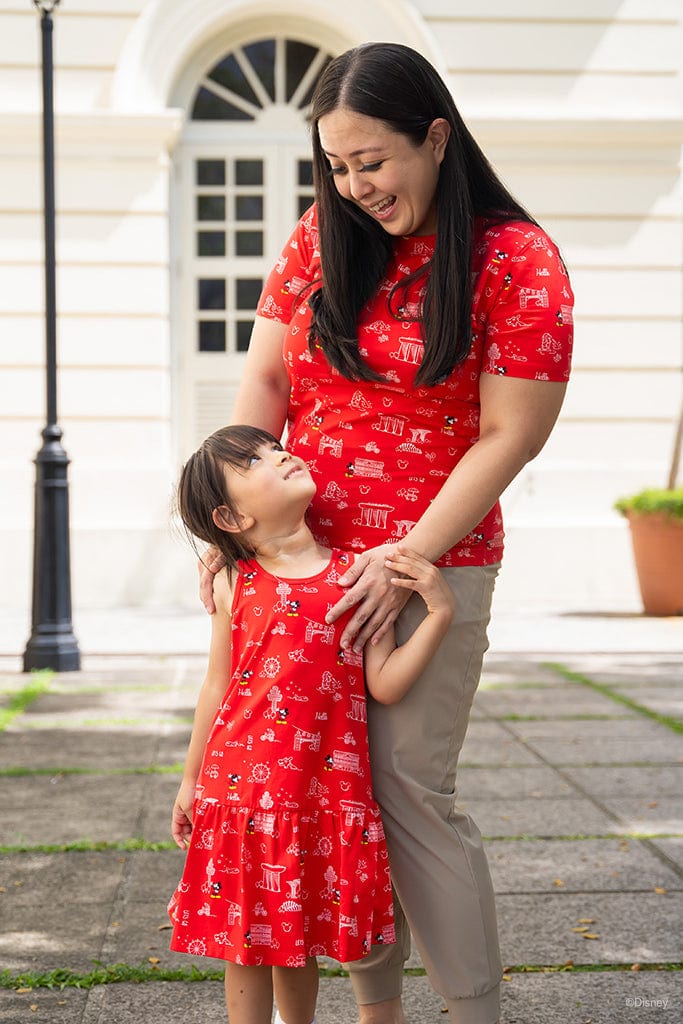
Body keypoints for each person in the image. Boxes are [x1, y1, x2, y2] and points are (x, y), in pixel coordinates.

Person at [199, 42, 574, 1024]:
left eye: (375, 160)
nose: (356, 185)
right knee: (331, 803)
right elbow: (268, 387)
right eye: (337, 166)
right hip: (302, 566)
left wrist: (406, 559)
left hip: (424, 567)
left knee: (407, 796)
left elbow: (511, 432)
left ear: (435, 137)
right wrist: (232, 530)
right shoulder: (314, 241)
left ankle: (474, 1010)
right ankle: (379, 1012)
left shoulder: (516, 261)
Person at [168, 424, 456, 1024]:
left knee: (296, 933)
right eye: (257, 461)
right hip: (241, 788)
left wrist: (439, 614)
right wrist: (190, 781)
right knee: (245, 938)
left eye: (274, 447)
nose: (282, 452)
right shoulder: (233, 582)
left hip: (322, 791)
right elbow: (217, 685)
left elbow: (384, 683)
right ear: (231, 518)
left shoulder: (357, 577)